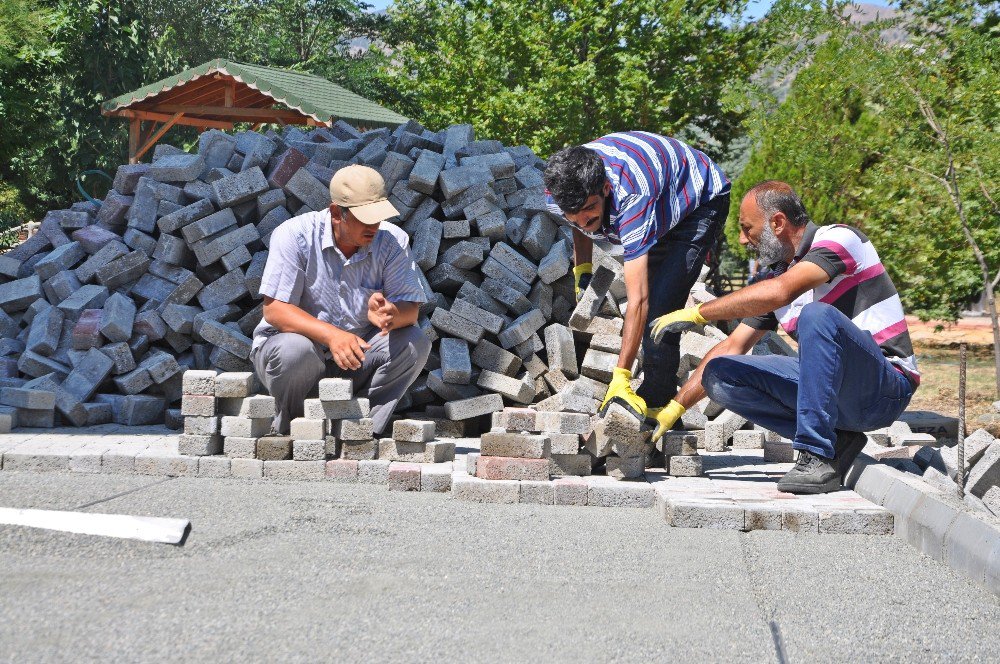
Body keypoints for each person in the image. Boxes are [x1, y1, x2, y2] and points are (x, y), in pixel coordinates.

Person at [648, 181, 919, 493]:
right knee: (720, 374)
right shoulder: (775, 276)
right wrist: (674, 408)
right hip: (839, 393)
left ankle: (816, 454)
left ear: (777, 222)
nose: (741, 239)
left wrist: (699, 313)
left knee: (816, 316)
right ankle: (836, 441)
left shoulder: (840, 239)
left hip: (885, 387)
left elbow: (782, 291)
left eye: (746, 228)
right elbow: (733, 345)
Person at [543, 131, 731, 423]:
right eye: (574, 215)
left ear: (605, 188)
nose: (584, 223)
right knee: (652, 298)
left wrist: (621, 376)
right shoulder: (557, 193)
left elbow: (638, 300)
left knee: (659, 309)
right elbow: (581, 227)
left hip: (698, 197)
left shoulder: (632, 197)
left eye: (590, 211)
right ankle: (658, 402)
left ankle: (658, 403)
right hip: (656, 186)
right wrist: (583, 271)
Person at [251, 165, 431, 436]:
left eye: (378, 217)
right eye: (364, 218)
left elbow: (411, 312)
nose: (374, 226)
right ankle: (293, 430)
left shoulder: (392, 241)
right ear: (337, 213)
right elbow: (275, 310)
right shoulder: (294, 235)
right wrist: (333, 336)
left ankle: (359, 431)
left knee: (415, 342)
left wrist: (390, 314)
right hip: (297, 363)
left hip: (355, 361)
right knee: (295, 351)